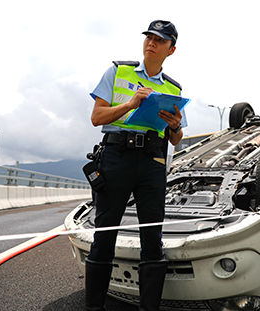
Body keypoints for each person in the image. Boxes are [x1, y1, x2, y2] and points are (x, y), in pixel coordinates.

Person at [85, 20, 186, 311]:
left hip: (153, 161)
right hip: (117, 157)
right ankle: (94, 307)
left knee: (152, 237)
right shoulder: (118, 71)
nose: (151, 43)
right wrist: (130, 104)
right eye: (149, 37)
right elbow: (96, 117)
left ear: (171, 49)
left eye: (160, 40)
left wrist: (176, 126)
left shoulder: (173, 88)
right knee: (105, 232)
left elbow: (177, 139)